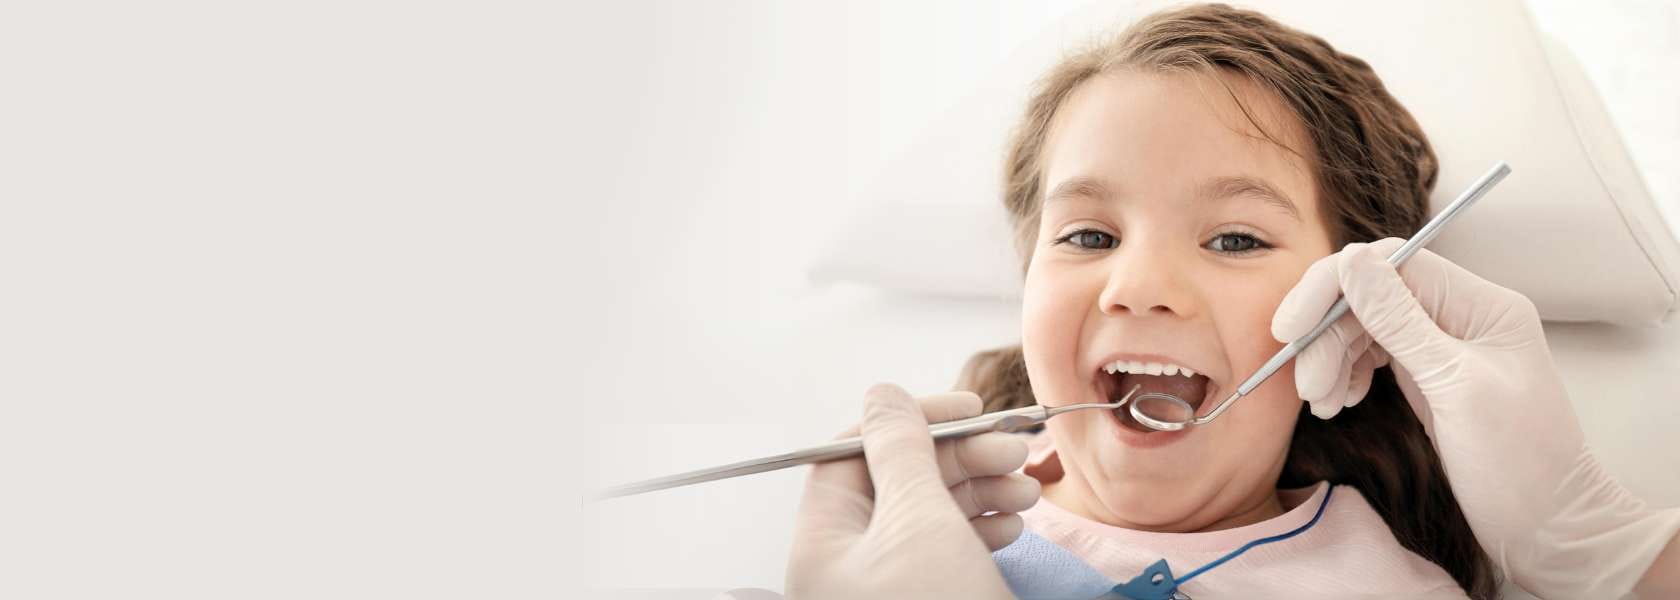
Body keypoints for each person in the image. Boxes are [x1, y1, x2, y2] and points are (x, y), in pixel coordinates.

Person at [789, 4, 1680, 599]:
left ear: (1350, 316)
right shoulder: (885, 531)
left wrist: (1601, 544)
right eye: (1089, 237)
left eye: (1235, 240)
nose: (1138, 287)